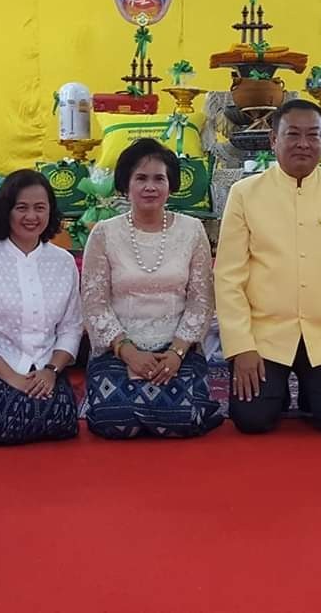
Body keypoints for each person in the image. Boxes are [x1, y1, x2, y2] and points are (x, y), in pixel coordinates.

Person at [215, 99, 321, 435]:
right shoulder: (245, 193)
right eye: (293, 134)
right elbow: (228, 277)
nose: (303, 143)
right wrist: (241, 347)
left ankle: (312, 391)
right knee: (251, 420)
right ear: (273, 140)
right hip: (265, 335)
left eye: (313, 135)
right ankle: (275, 393)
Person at [82, 138, 222, 439]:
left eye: (159, 178)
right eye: (141, 178)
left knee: (183, 417)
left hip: (177, 349)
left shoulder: (192, 230)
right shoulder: (104, 233)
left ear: (171, 185)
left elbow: (201, 300)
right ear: (126, 184)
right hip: (119, 349)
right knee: (112, 420)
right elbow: (94, 303)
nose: (150, 187)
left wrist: (176, 353)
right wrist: (128, 351)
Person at [0, 170, 81, 445]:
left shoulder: (63, 262)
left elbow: (71, 327)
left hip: (46, 368)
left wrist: (51, 371)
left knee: (63, 419)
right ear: (6, 210)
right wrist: (13, 378)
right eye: (21, 208)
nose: (31, 216)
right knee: (10, 418)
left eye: (39, 208)